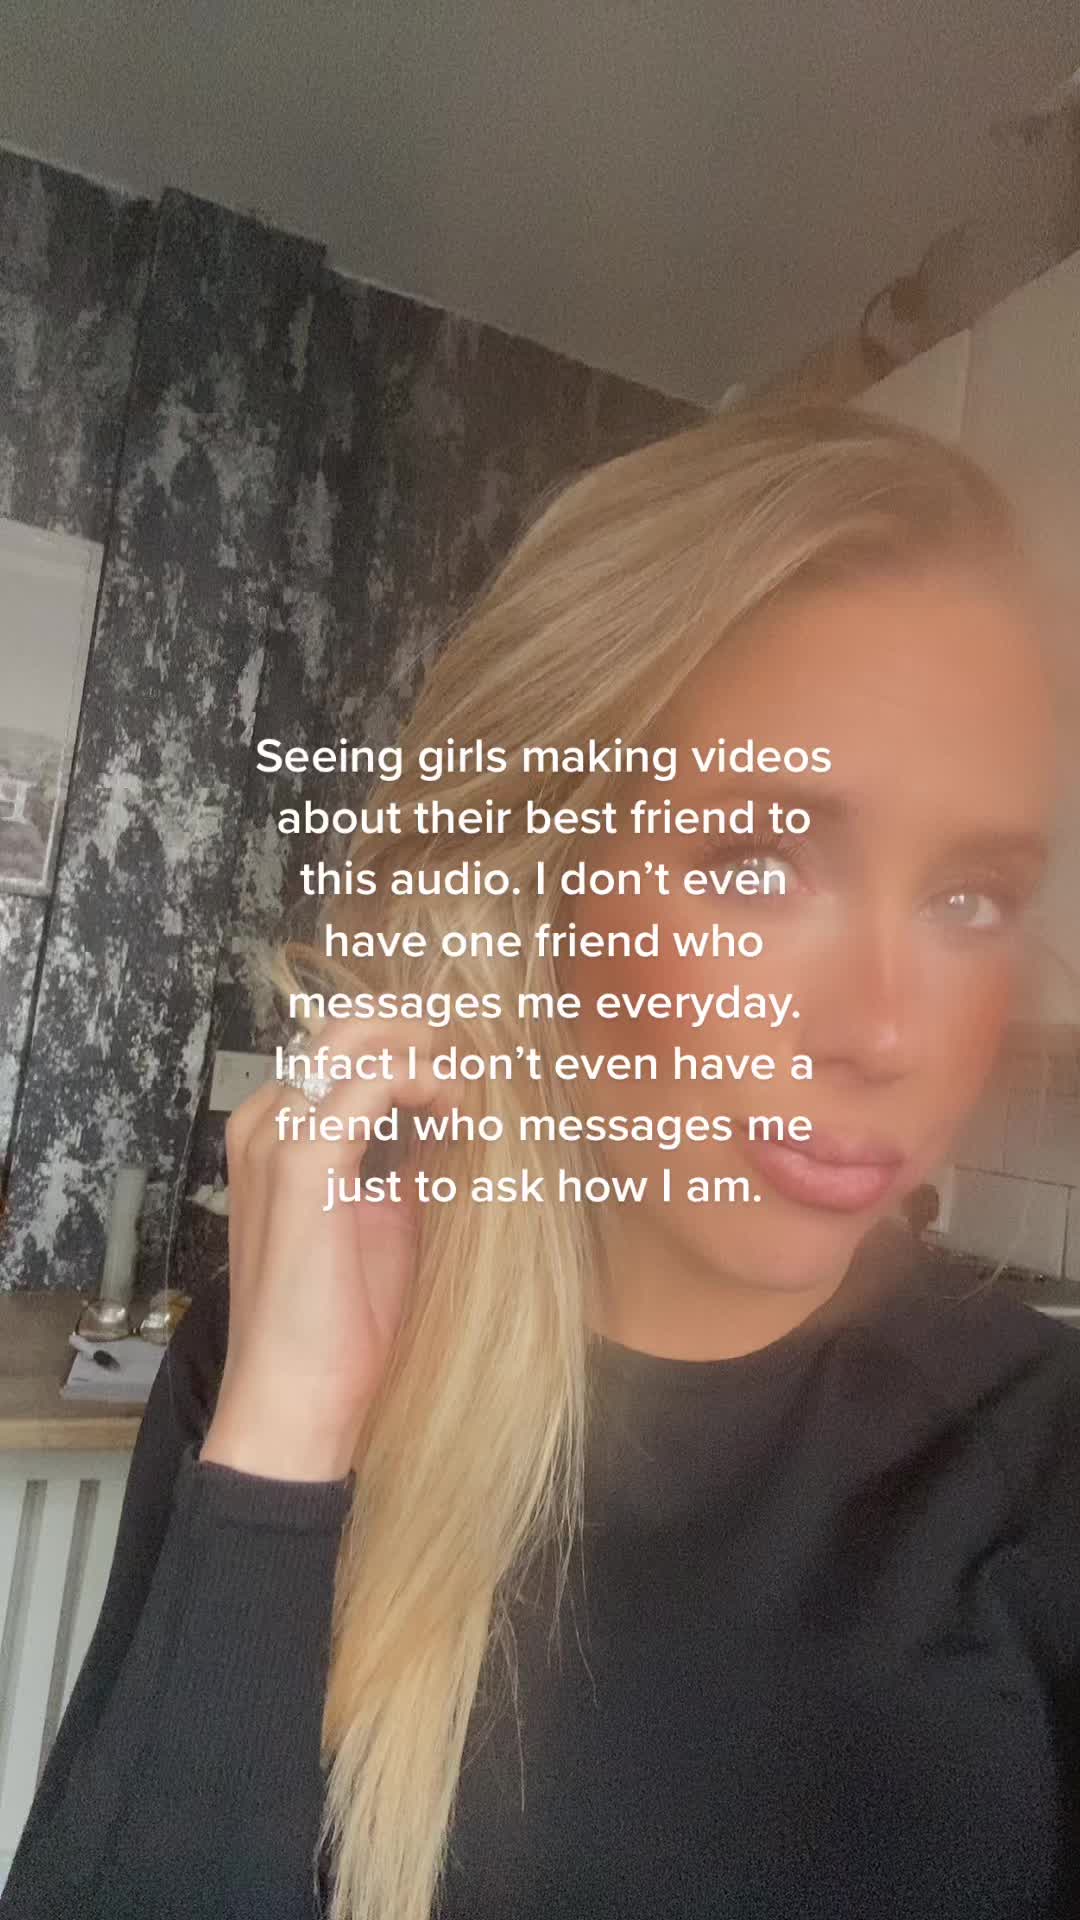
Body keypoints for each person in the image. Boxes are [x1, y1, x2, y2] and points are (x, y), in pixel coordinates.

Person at [4, 401, 1079, 1920]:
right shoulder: (282, 1358)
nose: (887, 1032)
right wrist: (286, 1442)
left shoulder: (1039, 1461)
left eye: (971, 898)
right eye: (759, 865)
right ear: (539, 889)